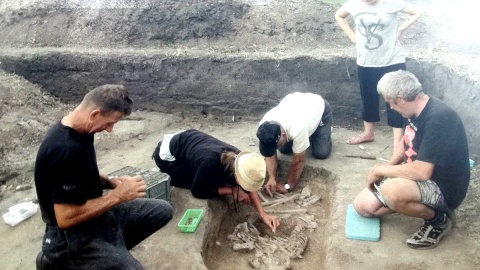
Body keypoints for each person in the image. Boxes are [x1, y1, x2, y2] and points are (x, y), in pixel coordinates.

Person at [34, 85, 173, 269]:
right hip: (71, 235)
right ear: (94, 114)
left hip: (96, 218)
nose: (110, 130)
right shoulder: (64, 149)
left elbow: (78, 174)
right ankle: (61, 262)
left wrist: (109, 182)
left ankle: (111, 254)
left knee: (162, 210)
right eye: (109, 123)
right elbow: (65, 218)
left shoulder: (82, 130)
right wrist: (117, 196)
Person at [353, 70, 470, 249]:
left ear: (400, 99)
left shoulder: (438, 118)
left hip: (444, 188)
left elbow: (422, 172)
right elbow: (406, 139)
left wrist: (380, 170)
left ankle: (439, 220)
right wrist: (389, 166)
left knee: (392, 191)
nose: (390, 108)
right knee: (363, 206)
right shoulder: (412, 110)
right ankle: (409, 201)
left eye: (390, 103)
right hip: (419, 176)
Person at [335, 0, 422, 162]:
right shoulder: (354, 4)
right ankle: (368, 133)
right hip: (366, 61)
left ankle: (397, 144)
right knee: (368, 97)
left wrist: (400, 29)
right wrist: (352, 36)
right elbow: (339, 15)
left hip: (392, 60)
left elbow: (417, 12)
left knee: (396, 100)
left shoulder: (392, 2)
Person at [152, 129, 280, 232]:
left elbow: (249, 183)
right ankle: (166, 175)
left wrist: (263, 214)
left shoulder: (240, 158)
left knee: (214, 178)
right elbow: (198, 191)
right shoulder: (210, 163)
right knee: (203, 182)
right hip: (167, 157)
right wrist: (231, 190)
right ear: (237, 174)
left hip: (189, 139)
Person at [256, 92, 332, 195]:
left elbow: (299, 162)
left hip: (318, 106)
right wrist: (272, 178)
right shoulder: (264, 126)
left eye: (275, 145)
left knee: (321, 153)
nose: (274, 148)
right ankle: (305, 138)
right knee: (284, 150)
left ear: (283, 134)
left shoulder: (298, 126)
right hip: (294, 103)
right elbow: (269, 155)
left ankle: (318, 132)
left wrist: (288, 186)